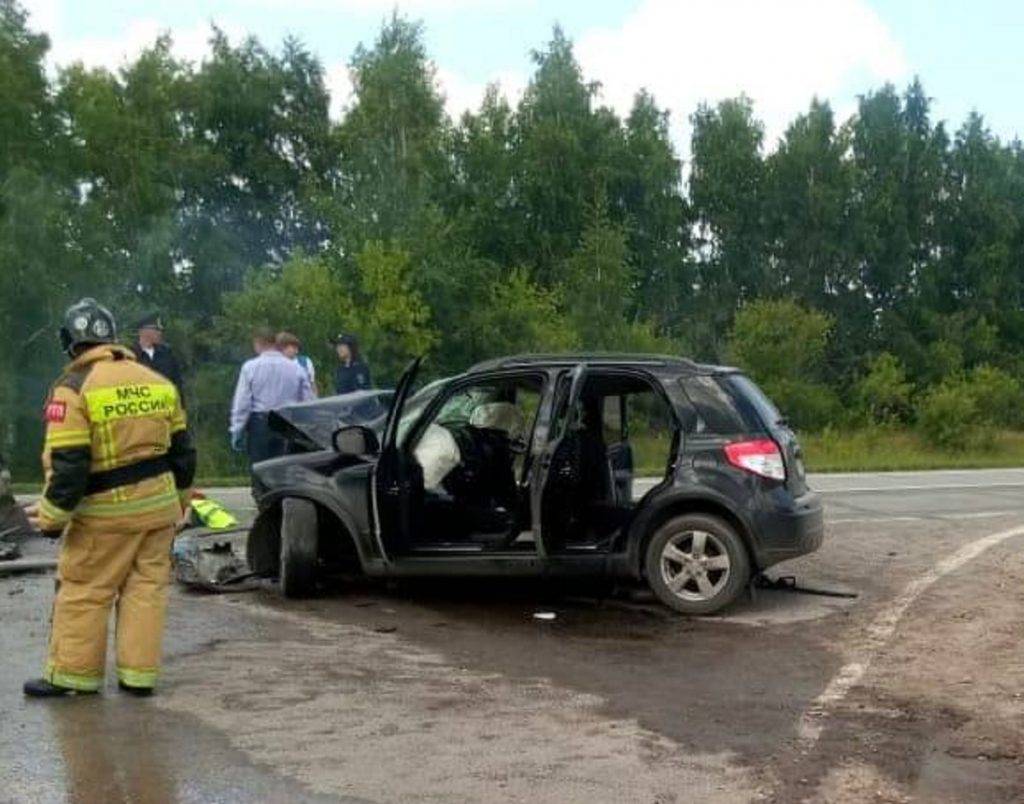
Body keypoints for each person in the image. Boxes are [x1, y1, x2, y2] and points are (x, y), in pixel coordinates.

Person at [23, 298, 196, 697]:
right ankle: (138, 679)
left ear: (70, 342)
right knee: (145, 592)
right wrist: (181, 500)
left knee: (86, 590)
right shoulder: (158, 383)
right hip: (158, 511)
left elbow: (70, 465)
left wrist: (51, 518)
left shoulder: (71, 389)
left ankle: (72, 677)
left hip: (105, 517)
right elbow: (183, 453)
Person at [229, 328, 315, 470]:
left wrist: (237, 429)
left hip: (261, 423)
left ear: (258, 343)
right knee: (286, 470)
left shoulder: (250, 367)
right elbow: (307, 400)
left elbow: (242, 403)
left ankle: (262, 491)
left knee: (261, 471)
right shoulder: (296, 368)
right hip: (288, 423)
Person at [131, 312, 185, 399]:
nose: (160, 333)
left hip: (166, 406)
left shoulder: (167, 354)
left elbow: (177, 384)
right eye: (156, 329)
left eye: (160, 330)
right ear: (143, 331)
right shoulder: (131, 356)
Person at [276, 331, 317, 397]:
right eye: (293, 347)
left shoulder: (305, 361)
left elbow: (312, 384)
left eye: (296, 347)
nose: (296, 350)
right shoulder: (275, 365)